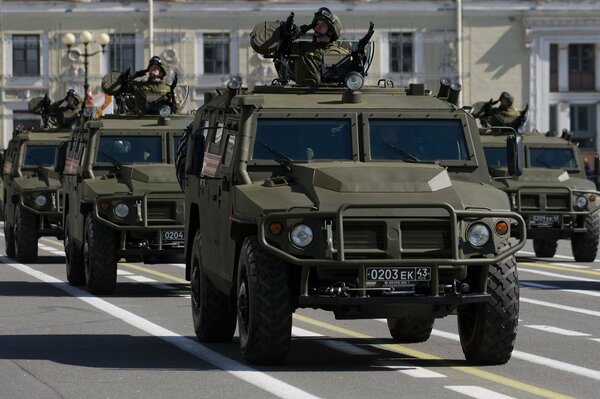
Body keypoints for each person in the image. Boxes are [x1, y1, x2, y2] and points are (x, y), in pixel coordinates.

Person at [251, 7, 350, 86]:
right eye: (316, 24)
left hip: (331, 95)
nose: (317, 27)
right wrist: (295, 30)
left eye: (323, 25)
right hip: (302, 93)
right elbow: (281, 45)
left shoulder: (341, 53)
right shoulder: (301, 48)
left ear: (332, 30)